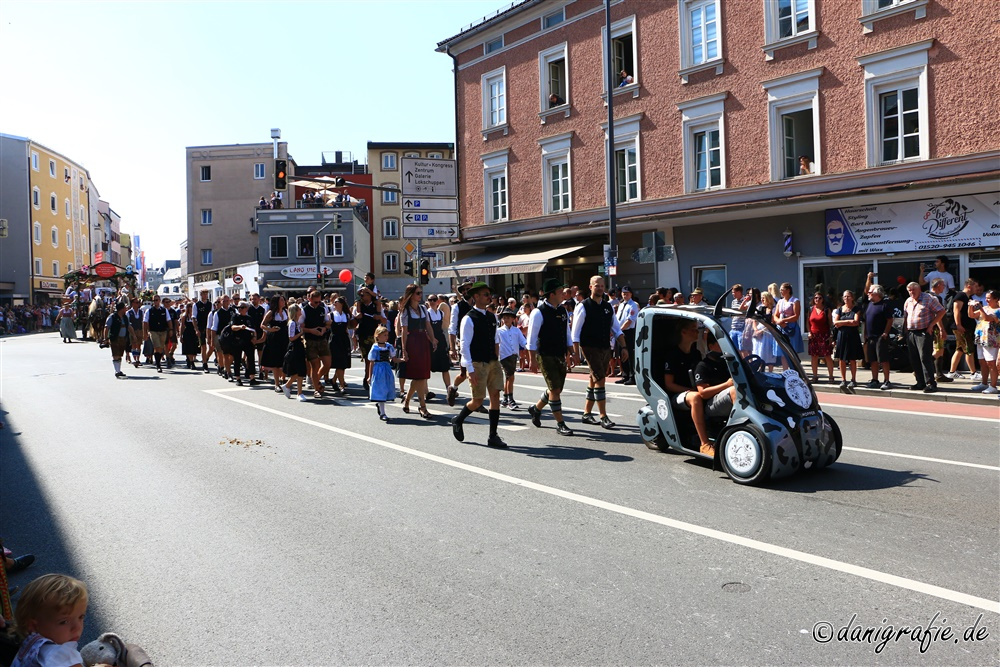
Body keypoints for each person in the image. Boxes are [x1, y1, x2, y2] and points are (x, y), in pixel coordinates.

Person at [451, 282, 507, 448]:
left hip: (492, 361)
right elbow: (465, 345)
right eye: (485, 294)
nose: (489, 297)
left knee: (495, 396)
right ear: (475, 297)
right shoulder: (469, 318)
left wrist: (497, 358)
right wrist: (470, 369)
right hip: (477, 363)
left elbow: (496, 338)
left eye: (489, 294)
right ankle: (458, 419)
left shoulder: (491, 316)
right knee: (477, 400)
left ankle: (493, 435)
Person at [572, 275, 628, 429]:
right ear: (590, 287)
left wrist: (624, 347)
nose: (600, 288)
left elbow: (616, 329)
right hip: (589, 346)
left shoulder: (608, 307)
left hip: (605, 346)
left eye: (602, 286)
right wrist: (575, 353)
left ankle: (586, 413)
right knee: (600, 379)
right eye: (597, 285)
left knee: (594, 379)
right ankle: (603, 416)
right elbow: (575, 333)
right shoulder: (583, 306)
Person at [527, 278, 576, 436]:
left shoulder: (562, 311)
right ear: (552, 294)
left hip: (559, 353)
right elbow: (532, 338)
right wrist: (532, 360)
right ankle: (560, 424)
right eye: (560, 291)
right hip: (545, 354)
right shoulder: (538, 312)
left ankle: (536, 409)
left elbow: (567, 333)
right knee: (554, 389)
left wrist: (573, 352)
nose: (563, 294)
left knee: (556, 389)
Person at [11, 573, 88, 667]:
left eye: (81, 617)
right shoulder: (62, 657)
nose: (77, 627)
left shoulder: (29, 644)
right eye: (64, 622)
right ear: (34, 626)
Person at [663, 319, 715, 457]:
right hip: (677, 395)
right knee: (697, 397)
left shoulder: (696, 353)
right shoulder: (673, 354)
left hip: (692, 391)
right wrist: (690, 391)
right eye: (693, 328)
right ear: (683, 332)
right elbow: (669, 384)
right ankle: (705, 444)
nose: (697, 332)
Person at [399, 283, 436, 419]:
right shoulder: (405, 311)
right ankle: (422, 406)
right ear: (411, 295)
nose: (420, 296)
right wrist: (404, 349)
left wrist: (433, 340)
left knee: (421, 376)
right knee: (419, 376)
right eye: (418, 293)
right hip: (413, 342)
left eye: (421, 293)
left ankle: (407, 401)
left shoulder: (423, 308)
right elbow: (403, 332)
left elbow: (428, 326)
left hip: (422, 341)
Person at [903, 281, 945, 393]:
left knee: (924, 358)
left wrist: (932, 324)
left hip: (923, 331)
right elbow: (906, 316)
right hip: (911, 332)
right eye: (910, 290)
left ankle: (931, 383)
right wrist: (905, 331)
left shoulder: (929, 298)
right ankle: (920, 382)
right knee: (914, 358)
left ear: (919, 289)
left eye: (914, 290)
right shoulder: (908, 301)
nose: (912, 292)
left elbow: (941, 311)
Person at [446, 281, 475, 406]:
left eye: (469, 289)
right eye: (464, 289)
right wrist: (452, 348)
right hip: (463, 343)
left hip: (476, 343)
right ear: (462, 292)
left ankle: (476, 401)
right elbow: (452, 329)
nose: (466, 291)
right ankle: (453, 388)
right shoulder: (457, 307)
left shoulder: (477, 305)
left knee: (476, 372)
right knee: (464, 374)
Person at [944, 279, 979, 380]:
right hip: (962, 327)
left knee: (959, 349)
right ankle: (973, 373)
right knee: (969, 349)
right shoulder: (961, 296)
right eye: (975, 286)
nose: (977, 289)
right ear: (969, 286)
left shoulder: (969, 297)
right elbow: (956, 310)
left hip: (967, 327)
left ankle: (952, 371)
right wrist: (958, 325)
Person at [300, 290, 331, 398]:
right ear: (310, 299)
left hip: (322, 339)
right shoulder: (304, 310)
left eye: (319, 301)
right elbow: (300, 327)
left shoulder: (323, 308)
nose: (318, 304)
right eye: (315, 302)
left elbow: (328, 322)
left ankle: (315, 380)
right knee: (315, 365)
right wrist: (311, 330)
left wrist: (324, 328)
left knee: (327, 364)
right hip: (310, 340)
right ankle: (317, 389)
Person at [353, 286, 384, 390]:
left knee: (376, 358)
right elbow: (355, 318)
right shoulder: (359, 304)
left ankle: (374, 378)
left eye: (365, 294)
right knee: (367, 358)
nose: (363, 296)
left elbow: (384, 320)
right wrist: (358, 316)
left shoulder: (376, 305)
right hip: (363, 334)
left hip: (375, 333)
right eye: (361, 295)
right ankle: (367, 378)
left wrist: (378, 317)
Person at [969, 289, 1000, 394]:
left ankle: (993, 386)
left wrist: (980, 308)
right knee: (982, 362)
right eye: (986, 298)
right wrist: (970, 306)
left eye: (989, 298)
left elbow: (987, 318)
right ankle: (984, 383)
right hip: (981, 338)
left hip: (991, 339)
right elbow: (972, 315)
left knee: (991, 363)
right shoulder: (985, 308)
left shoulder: (998, 310)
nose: (986, 300)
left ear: (996, 299)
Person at [833, 290, 863, 390]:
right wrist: (847, 321)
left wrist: (842, 323)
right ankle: (843, 379)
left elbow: (855, 322)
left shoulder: (856, 309)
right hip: (841, 335)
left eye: (848, 296)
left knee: (852, 358)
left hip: (852, 336)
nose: (846, 298)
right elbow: (835, 323)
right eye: (845, 296)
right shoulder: (840, 309)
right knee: (842, 359)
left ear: (852, 297)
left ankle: (853, 379)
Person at [497, 307, 526, 410]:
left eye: (509, 317)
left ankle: (505, 398)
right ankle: (510, 399)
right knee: (511, 376)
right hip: (504, 356)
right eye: (504, 318)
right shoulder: (499, 331)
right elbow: (496, 343)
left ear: (513, 319)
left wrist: (529, 348)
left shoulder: (516, 330)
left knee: (509, 377)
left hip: (514, 356)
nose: (506, 319)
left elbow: (523, 341)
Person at [368, 325, 399, 421]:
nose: (386, 337)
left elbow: (394, 359)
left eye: (387, 335)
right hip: (378, 370)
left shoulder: (389, 346)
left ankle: (380, 407)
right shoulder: (375, 348)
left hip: (386, 369)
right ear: (377, 336)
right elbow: (371, 362)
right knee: (380, 389)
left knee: (386, 388)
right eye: (384, 335)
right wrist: (369, 376)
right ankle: (382, 413)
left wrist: (402, 359)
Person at [260, 295, 289, 393]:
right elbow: (262, 325)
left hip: (284, 338)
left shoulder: (285, 312)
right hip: (274, 338)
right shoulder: (271, 313)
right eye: (281, 300)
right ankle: (277, 384)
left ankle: (283, 379)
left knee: (283, 360)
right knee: (275, 362)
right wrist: (270, 329)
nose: (283, 302)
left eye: (283, 300)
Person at [427, 294, 452, 398]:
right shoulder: (427, 313)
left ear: (437, 301)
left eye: (434, 300)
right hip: (430, 341)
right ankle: (426, 391)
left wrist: (447, 343)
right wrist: (431, 339)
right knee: (427, 367)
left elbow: (443, 328)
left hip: (440, 340)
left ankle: (449, 389)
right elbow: (426, 329)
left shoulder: (441, 313)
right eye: (430, 300)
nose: (432, 301)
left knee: (445, 366)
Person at [807, 291, 835, 384]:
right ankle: (815, 376)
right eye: (815, 298)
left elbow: (831, 324)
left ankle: (831, 376)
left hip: (824, 335)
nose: (817, 300)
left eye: (819, 298)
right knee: (814, 356)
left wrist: (831, 336)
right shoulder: (811, 309)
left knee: (827, 356)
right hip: (813, 336)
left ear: (823, 300)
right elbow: (808, 322)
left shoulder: (826, 310)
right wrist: (809, 332)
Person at [773, 282, 803, 368]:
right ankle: (785, 372)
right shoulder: (780, 301)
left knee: (792, 351)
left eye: (782, 289)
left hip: (791, 327)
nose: (781, 291)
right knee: (783, 351)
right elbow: (775, 314)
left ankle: (795, 370)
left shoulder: (795, 301)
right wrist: (778, 321)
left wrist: (783, 320)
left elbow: (796, 316)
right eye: (780, 290)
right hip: (781, 328)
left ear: (788, 290)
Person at [282, 303, 307, 401]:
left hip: (299, 347)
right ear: (295, 312)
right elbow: (291, 337)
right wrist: (300, 333)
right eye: (299, 310)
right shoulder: (292, 323)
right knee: (298, 370)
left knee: (301, 371)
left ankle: (298, 391)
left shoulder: (297, 322)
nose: (301, 311)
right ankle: (291, 387)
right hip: (295, 348)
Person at [328, 296, 352, 396]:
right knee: (339, 364)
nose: (335, 304)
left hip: (344, 340)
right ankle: (342, 385)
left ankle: (334, 380)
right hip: (335, 340)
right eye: (334, 303)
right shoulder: (331, 315)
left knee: (343, 363)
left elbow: (349, 327)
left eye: (337, 302)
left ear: (341, 304)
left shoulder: (347, 315)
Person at [615, 285, 639, 385]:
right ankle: (625, 375)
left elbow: (629, 321)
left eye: (627, 294)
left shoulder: (633, 305)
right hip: (620, 332)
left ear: (631, 294)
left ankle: (632, 376)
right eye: (624, 293)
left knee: (629, 354)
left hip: (628, 332)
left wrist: (619, 330)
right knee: (621, 354)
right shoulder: (621, 305)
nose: (625, 295)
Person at [142, 294, 172, 373]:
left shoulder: (164, 310)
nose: (156, 302)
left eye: (157, 300)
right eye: (154, 300)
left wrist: (171, 329)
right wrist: (145, 332)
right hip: (153, 331)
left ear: (159, 301)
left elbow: (168, 320)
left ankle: (158, 360)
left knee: (161, 348)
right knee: (157, 346)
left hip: (163, 331)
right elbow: (145, 322)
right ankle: (158, 365)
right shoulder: (149, 311)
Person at [103, 301, 133, 379]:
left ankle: (119, 370)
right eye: (125, 308)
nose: (126, 309)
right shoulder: (112, 317)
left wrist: (134, 335)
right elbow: (106, 328)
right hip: (115, 338)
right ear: (121, 309)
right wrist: (105, 338)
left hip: (123, 338)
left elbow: (129, 326)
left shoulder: (125, 317)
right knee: (115, 355)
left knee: (119, 355)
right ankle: (117, 371)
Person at [192, 290, 213, 372]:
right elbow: (193, 317)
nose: (205, 295)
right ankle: (205, 364)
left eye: (206, 294)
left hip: (209, 328)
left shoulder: (210, 304)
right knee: (203, 346)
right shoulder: (196, 305)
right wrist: (196, 329)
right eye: (203, 294)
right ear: (200, 295)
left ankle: (206, 358)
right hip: (201, 328)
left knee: (212, 346)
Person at [728, 284, 750, 352]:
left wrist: (744, 301)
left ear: (739, 292)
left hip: (742, 328)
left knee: (742, 349)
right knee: (734, 349)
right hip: (734, 327)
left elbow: (741, 310)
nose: (733, 294)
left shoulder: (746, 300)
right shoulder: (733, 302)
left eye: (734, 292)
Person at [179, 302, 200, 370]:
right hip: (187, 333)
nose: (190, 308)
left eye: (191, 306)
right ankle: (192, 362)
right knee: (189, 348)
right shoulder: (184, 316)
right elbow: (182, 326)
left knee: (194, 348)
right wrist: (181, 335)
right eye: (189, 306)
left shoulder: (196, 315)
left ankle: (190, 360)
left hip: (194, 333)